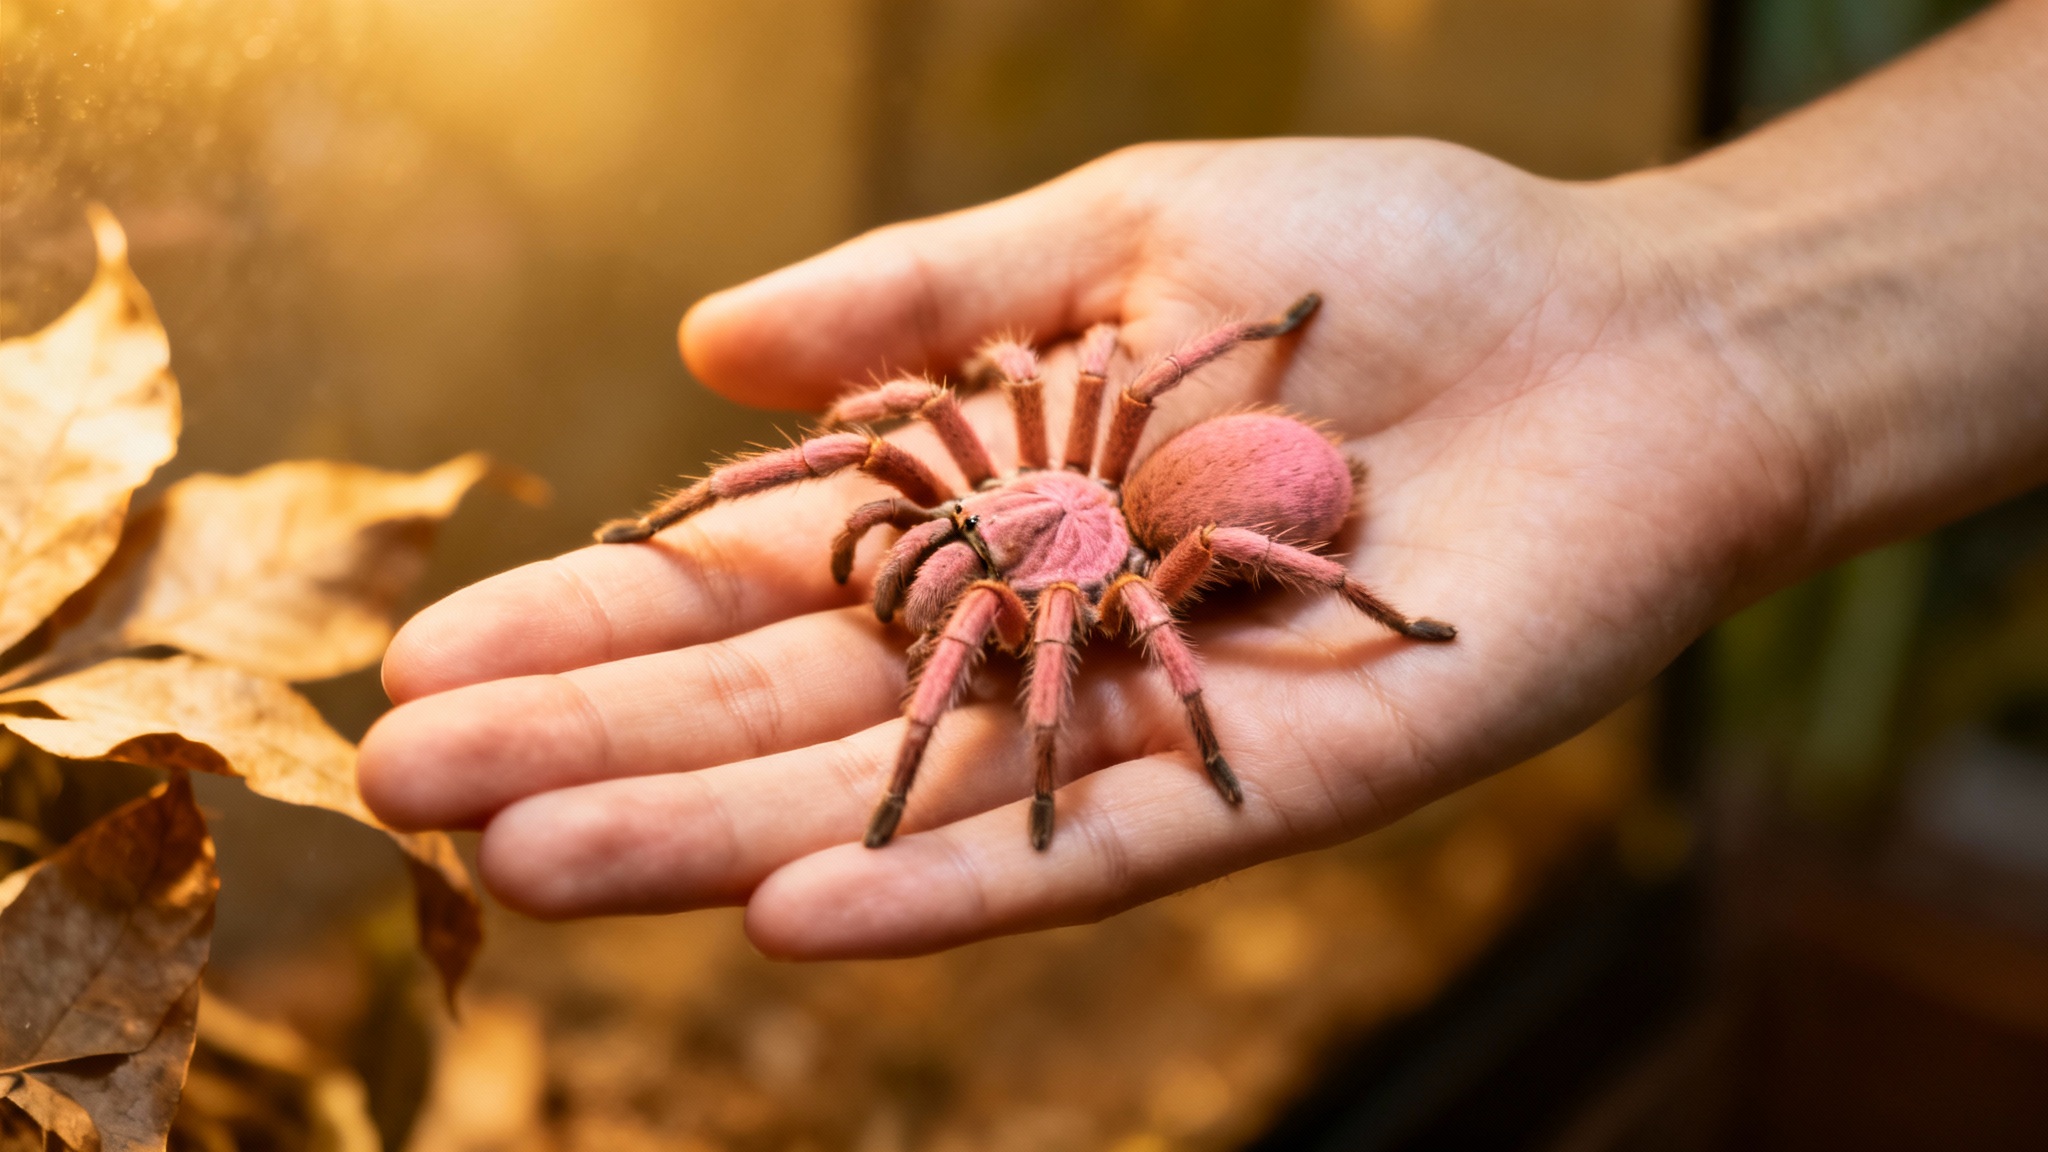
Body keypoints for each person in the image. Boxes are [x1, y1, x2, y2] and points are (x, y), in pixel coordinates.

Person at [357, 1, 2048, 958]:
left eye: (974, 536)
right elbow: (1018, 400)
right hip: (1149, 495)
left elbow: (1116, 438)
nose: (951, 527)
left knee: (1146, 510)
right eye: (962, 520)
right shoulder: (990, 487)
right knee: (923, 419)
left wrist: (1050, 766)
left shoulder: (1117, 576)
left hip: (1228, 506)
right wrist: (713, 521)